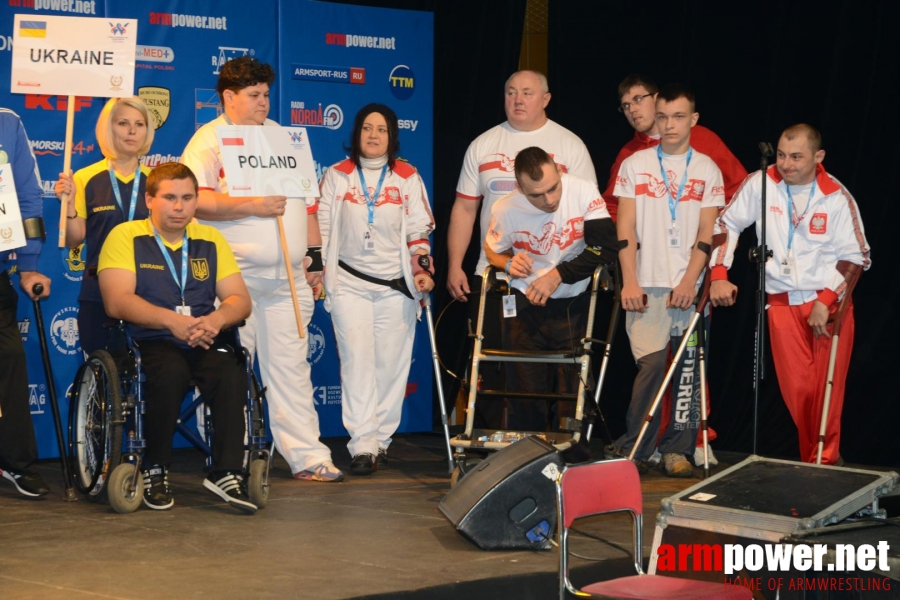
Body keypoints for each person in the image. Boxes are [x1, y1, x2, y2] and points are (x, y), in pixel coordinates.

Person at [180, 56, 343, 482]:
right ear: (228, 97)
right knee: (228, 372)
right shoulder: (208, 140)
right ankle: (225, 457)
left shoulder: (282, 137)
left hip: (287, 279)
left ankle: (308, 456)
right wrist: (251, 206)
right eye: (254, 95)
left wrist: (315, 258)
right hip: (233, 281)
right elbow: (195, 200)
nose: (263, 103)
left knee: (292, 369)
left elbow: (308, 205)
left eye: (266, 94)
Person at [98, 162, 256, 513]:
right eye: (169, 197)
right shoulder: (126, 236)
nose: (179, 206)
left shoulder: (210, 238)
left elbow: (240, 300)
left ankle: (226, 471)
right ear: (149, 199)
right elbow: (116, 301)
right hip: (150, 338)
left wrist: (216, 319)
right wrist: (171, 322)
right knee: (168, 372)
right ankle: (154, 466)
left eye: (187, 198)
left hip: (202, 335)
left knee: (230, 369)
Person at [709, 124, 870, 465]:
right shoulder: (761, 184)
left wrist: (825, 301)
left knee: (826, 392)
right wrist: (719, 273)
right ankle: (824, 461)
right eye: (781, 155)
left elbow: (857, 256)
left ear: (818, 156)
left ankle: (822, 466)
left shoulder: (835, 196)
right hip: (780, 304)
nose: (786, 164)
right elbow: (726, 224)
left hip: (828, 304)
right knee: (799, 393)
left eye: (796, 157)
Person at [446, 70, 597, 427]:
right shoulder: (482, 145)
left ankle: (568, 443)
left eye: (527, 93)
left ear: (545, 99)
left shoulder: (570, 145)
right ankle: (507, 444)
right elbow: (465, 208)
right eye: (511, 92)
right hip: (499, 273)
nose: (517, 100)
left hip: (560, 280)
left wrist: (571, 269)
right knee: (503, 367)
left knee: (567, 370)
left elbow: (591, 212)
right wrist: (456, 265)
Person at [611, 85, 725, 477]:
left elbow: (708, 235)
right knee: (650, 368)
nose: (670, 124)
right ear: (655, 119)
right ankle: (636, 449)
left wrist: (690, 283)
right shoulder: (636, 164)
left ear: (693, 120)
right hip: (645, 284)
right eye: (663, 117)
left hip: (688, 288)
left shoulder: (707, 169)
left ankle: (678, 451)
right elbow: (624, 228)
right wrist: (629, 281)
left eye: (678, 117)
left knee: (688, 370)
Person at [318, 104, 435, 476]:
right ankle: (363, 444)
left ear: (392, 136)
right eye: (367, 128)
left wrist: (421, 271)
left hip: (395, 286)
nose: (373, 135)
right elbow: (320, 231)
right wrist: (317, 271)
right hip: (349, 283)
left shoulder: (407, 176)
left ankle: (382, 440)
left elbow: (419, 232)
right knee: (356, 363)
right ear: (356, 133)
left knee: (391, 365)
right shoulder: (338, 175)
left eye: (381, 130)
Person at [483, 146, 617, 440]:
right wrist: (507, 262)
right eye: (537, 195)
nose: (550, 200)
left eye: (553, 188)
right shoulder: (505, 208)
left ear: (558, 169)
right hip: (524, 304)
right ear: (520, 188)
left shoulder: (583, 191)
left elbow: (603, 247)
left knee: (573, 387)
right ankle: (527, 457)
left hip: (574, 301)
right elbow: (492, 248)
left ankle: (573, 453)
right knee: (525, 387)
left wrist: (558, 275)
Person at [55, 97, 155, 354]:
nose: (132, 131)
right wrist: (68, 207)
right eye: (123, 123)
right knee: (101, 375)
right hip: (99, 290)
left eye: (140, 124)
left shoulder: (158, 181)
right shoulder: (85, 177)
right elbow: (74, 239)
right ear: (108, 128)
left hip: (151, 290)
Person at [603, 75, 746, 221]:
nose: (632, 109)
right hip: (648, 240)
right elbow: (613, 205)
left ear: (656, 97)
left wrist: (720, 227)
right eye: (625, 105)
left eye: (638, 99)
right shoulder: (628, 154)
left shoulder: (702, 137)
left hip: (700, 240)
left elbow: (740, 188)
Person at [0, 108, 52, 498]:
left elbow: (27, 196)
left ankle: (15, 462)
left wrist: (29, 265)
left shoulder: (7, 122)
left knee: (10, 363)